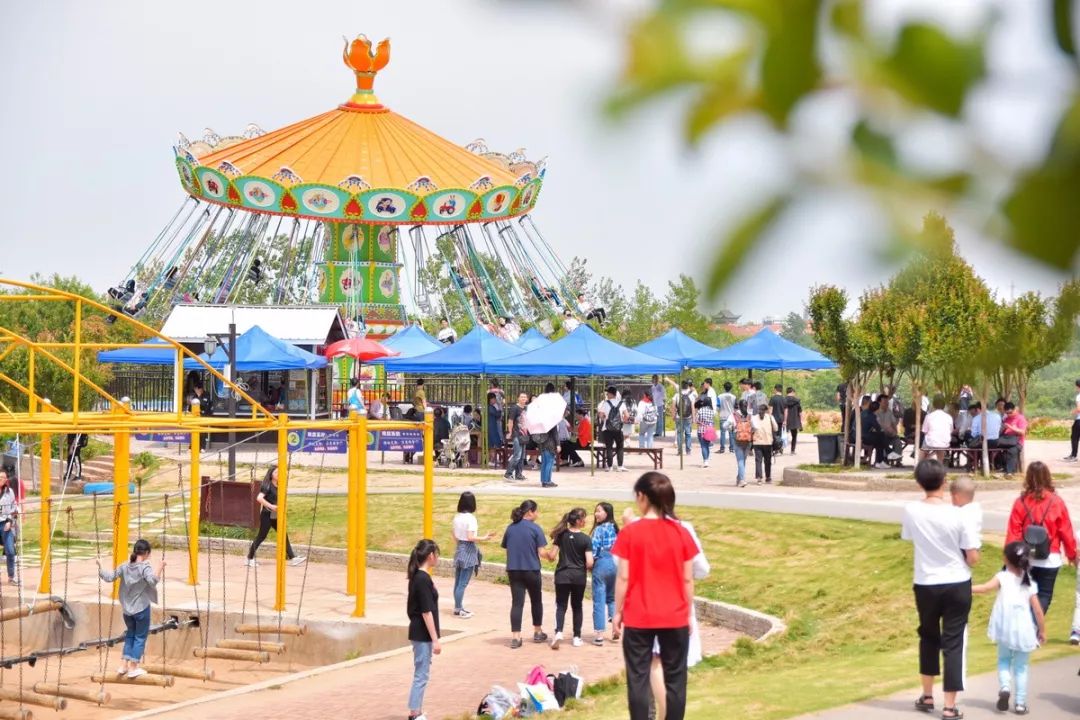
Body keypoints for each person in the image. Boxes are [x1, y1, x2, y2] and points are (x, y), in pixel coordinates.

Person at [611, 472, 699, 720]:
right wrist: (688, 613)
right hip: (674, 614)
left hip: (639, 615)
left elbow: (624, 577)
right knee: (676, 679)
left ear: (642, 497)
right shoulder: (681, 533)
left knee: (637, 678)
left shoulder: (630, 533)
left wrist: (618, 611)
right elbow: (687, 579)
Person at [902, 459, 980, 720]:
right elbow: (972, 557)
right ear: (945, 483)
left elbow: (910, 536)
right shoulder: (958, 515)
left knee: (928, 637)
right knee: (953, 642)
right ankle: (949, 706)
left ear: (918, 483)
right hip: (957, 582)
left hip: (926, 582)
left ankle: (926, 695)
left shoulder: (911, 510)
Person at [971, 542, 1046, 716]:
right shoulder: (1029, 582)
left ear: (1005, 558)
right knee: (1021, 667)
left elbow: (984, 588)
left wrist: (965, 587)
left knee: (1004, 660)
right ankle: (1020, 704)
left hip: (1004, 629)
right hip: (1024, 631)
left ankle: (1005, 686)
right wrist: (1042, 631)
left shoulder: (1002, 577)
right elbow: (1038, 611)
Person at [1004, 461, 1076, 619]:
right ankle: (1033, 628)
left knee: (1023, 596)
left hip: (1025, 557)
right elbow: (1066, 530)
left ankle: (1023, 629)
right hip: (1050, 556)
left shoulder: (1021, 502)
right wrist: (1072, 554)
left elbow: (1013, 532)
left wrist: (1010, 558)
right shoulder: (1056, 502)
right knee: (1044, 595)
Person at [97, 538, 164, 678]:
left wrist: (100, 565)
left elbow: (109, 577)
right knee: (140, 637)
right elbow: (153, 582)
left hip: (127, 611)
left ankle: (123, 666)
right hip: (141, 609)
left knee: (130, 635)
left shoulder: (124, 566)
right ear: (146, 553)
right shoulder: (144, 567)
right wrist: (160, 567)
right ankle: (133, 667)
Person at [543, 508, 593, 649]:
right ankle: (577, 637)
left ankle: (559, 631)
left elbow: (552, 556)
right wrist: (588, 567)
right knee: (577, 606)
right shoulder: (586, 539)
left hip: (562, 575)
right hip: (578, 576)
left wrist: (543, 554)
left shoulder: (561, 535)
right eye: (584, 518)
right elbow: (589, 562)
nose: (585, 520)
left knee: (561, 605)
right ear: (578, 521)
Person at [501, 500, 549, 648]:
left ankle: (516, 637)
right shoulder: (535, 529)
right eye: (536, 511)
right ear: (530, 512)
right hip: (531, 570)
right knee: (536, 601)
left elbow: (508, 549)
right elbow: (541, 552)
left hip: (514, 570)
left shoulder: (510, 528)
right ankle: (537, 631)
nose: (537, 514)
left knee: (517, 603)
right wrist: (551, 555)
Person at [406, 539, 441, 720]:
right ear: (430, 556)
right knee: (421, 674)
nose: (438, 558)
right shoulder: (422, 579)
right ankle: (414, 713)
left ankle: (416, 710)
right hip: (422, 634)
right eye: (437, 555)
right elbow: (426, 612)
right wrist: (435, 639)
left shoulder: (419, 578)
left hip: (419, 632)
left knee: (422, 672)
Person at [247, 466, 306, 567]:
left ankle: (293, 558)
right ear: (271, 475)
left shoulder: (278, 485)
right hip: (267, 514)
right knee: (261, 536)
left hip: (275, 515)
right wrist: (272, 506)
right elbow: (259, 498)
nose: (278, 474)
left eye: (280, 472)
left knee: (283, 534)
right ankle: (249, 558)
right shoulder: (267, 485)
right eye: (276, 472)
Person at [450, 492, 492, 619]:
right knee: (463, 583)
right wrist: (484, 537)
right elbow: (470, 537)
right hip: (468, 550)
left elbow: (454, 535)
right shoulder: (471, 519)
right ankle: (459, 608)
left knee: (458, 582)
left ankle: (458, 607)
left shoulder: (456, 517)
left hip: (459, 549)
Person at [590, 502, 619, 646]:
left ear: (607, 513)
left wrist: (590, 564)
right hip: (615, 563)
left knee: (599, 598)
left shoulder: (598, 530)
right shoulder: (616, 528)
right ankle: (615, 627)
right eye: (595, 511)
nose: (596, 514)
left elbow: (594, 550)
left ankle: (600, 634)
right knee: (612, 598)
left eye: (599, 511)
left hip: (602, 562)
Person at [599, 386, 628, 473]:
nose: (606, 394)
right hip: (618, 429)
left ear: (611, 394)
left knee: (609, 447)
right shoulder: (621, 403)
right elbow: (627, 415)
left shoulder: (605, 403)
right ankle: (620, 466)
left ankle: (610, 466)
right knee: (620, 447)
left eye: (607, 393)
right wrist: (622, 421)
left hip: (607, 428)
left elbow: (601, 415)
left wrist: (604, 417)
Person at [950, 477, 983, 552]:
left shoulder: (965, 515)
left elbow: (969, 539)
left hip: (966, 548)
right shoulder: (975, 509)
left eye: (951, 496)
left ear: (956, 497)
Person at [726, 400, 753, 487]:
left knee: (740, 460)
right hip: (748, 440)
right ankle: (740, 478)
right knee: (743, 460)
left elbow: (724, 426)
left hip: (737, 439)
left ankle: (741, 479)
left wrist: (731, 427)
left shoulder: (733, 415)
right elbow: (755, 427)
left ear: (738, 406)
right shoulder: (750, 416)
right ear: (747, 405)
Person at [751, 403, 778, 484]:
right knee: (767, 460)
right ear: (766, 410)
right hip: (768, 442)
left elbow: (752, 429)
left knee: (758, 460)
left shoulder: (754, 417)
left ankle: (759, 478)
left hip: (757, 442)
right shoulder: (770, 417)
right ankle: (768, 477)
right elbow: (776, 428)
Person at [504, 392, 528, 481]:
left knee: (522, 456)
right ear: (518, 398)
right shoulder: (515, 408)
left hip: (524, 434)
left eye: (525, 397)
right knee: (517, 455)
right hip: (516, 434)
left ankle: (519, 474)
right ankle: (508, 473)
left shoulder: (526, 408)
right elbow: (510, 421)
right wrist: (510, 432)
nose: (523, 398)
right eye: (521, 397)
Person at [921, 395, 953, 462]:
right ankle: (939, 463)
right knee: (941, 447)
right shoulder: (949, 417)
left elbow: (924, 431)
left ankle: (921, 462)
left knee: (923, 447)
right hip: (945, 442)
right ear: (944, 406)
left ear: (933, 405)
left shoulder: (929, 416)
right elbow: (951, 430)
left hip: (930, 442)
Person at [998, 402, 1028, 475]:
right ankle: (998, 467)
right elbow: (1000, 432)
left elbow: (1022, 432)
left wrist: (1011, 427)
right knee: (992, 445)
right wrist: (1002, 428)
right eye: (1007, 413)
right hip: (1005, 440)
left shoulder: (1021, 418)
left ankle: (1010, 472)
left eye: (1010, 412)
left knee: (1012, 450)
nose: (1009, 415)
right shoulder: (1006, 419)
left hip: (1017, 442)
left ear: (1015, 409)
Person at [0, 470, 17, 587]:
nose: (1, 479)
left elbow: (14, 509)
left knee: (10, 551)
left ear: (6, 480)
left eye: (3, 478)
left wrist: (10, 522)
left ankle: (11, 577)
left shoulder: (9, 492)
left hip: (5, 523)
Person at [672, 380, 695, 456]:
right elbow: (692, 407)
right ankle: (688, 451)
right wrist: (694, 418)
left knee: (679, 433)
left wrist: (673, 415)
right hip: (688, 417)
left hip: (679, 417)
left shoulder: (677, 395)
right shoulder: (691, 395)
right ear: (688, 386)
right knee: (688, 434)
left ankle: (679, 451)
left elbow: (673, 406)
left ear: (681, 386)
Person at [694, 397, 715, 469]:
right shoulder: (712, 411)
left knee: (703, 446)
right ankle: (706, 459)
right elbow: (713, 421)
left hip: (701, 430)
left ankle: (705, 460)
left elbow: (696, 420)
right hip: (709, 430)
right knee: (707, 445)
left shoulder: (700, 410)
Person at [716, 382, 736, 454]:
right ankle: (732, 448)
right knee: (731, 433)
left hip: (723, 416)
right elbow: (735, 407)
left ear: (724, 387)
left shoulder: (719, 396)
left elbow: (717, 407)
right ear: (731, 388)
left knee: (723, 433)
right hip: (731, 417)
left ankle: (722, 449)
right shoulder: (734, 397)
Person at [1065, 379, 1080, 461]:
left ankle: (1073, 456)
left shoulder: (1078, 396)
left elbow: (1079, 409)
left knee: (1074, 437)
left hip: (1079, 420)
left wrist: (1072, 412)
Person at [784, 387, 803, 454]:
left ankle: (779, 449)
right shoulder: (797, 401)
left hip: (785, 420)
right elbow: (800, 411)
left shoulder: (783, 400)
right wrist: (801, 421)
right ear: (792, 392)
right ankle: (792, 450)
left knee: (781, 435)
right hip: (795, 420)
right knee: (794, 436)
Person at [487, 392, 504, 462]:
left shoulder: (490, 407)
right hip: (492, 428)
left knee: (492, 444)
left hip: (492, 426)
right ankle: (492, 460)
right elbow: (497, 415)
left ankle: (493, 459)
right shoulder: (490, 408)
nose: (495, 400)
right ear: (490, 399)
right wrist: (500, 409)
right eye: (494, 399)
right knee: (493, 444)